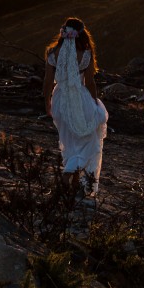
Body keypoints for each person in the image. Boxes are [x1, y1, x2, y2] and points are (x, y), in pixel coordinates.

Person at [43, 17, 109, 196]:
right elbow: (90, 83)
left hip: (60, 101)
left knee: (69, 142)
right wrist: (94, 103)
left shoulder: (52, 52)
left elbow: (48, 82)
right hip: (80, 100)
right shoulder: (86, 53)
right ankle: (67, 178)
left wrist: (47, 103)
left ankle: (71, 186)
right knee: (88, 142)